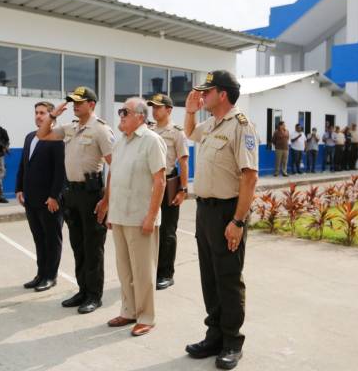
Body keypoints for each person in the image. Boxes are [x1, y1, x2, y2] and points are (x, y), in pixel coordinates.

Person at [183, 70, 259, 370]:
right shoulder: (212, 124)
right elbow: (189, 133)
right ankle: (213, 335)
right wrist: (190, 111)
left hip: (228, 212)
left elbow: (249, 178)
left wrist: (238, 221)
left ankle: (231, 342)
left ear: (222, 94)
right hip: (205, 212)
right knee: (209, 277)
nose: (203, 96)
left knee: (228, 278)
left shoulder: (242, 126)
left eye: (207, 91)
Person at [36, 86, 114, 314]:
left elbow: (114, 166)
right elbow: (42, 134)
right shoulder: (70, 128)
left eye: (80, 101)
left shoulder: (100, 130)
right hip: (72, 194)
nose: (75, 105)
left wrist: (107, 200)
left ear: (91, 104)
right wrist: (52, 116)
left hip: (92, 195)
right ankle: (82, 290)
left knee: (93, 247)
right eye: (73, 102)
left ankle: (94, 295)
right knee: (78, 245)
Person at [103, 97, 167, 337]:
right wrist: (110, 209)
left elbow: (159, 181)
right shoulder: (120, 143)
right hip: (120, 216)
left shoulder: (152, 141)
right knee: (124, 270)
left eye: (125, 112)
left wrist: (151, 216)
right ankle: (128, 310)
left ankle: (146, 316)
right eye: (120, 112)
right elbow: (115, 177)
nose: (120, 115)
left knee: (143, 273)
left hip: (141, 218)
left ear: (140, 116)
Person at [16, 101, 66, 292]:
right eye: (36, 112)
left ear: (51, 115)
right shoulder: (30, 137)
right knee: (39, 238)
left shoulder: (58, 139)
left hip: (49, 200)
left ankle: (50, 276)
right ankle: (40, 274)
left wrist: (54, 196)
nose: (38, 116)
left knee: (52, 239)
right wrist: (19, 188)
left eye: (43, 113)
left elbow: (60, 171)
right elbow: (23, 165)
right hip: (31, 199)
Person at [147, 93, 189, 290]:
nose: (154, 110)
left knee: (167, 231)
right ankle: (153, 270)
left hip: (169, 184)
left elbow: (183, 161)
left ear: (169, 110)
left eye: (158, 107)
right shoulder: (149, 130)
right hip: (150, 186)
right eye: (152, 107)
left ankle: (166, 273)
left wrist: (183, 190)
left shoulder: (177, 132)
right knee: (151, 230)